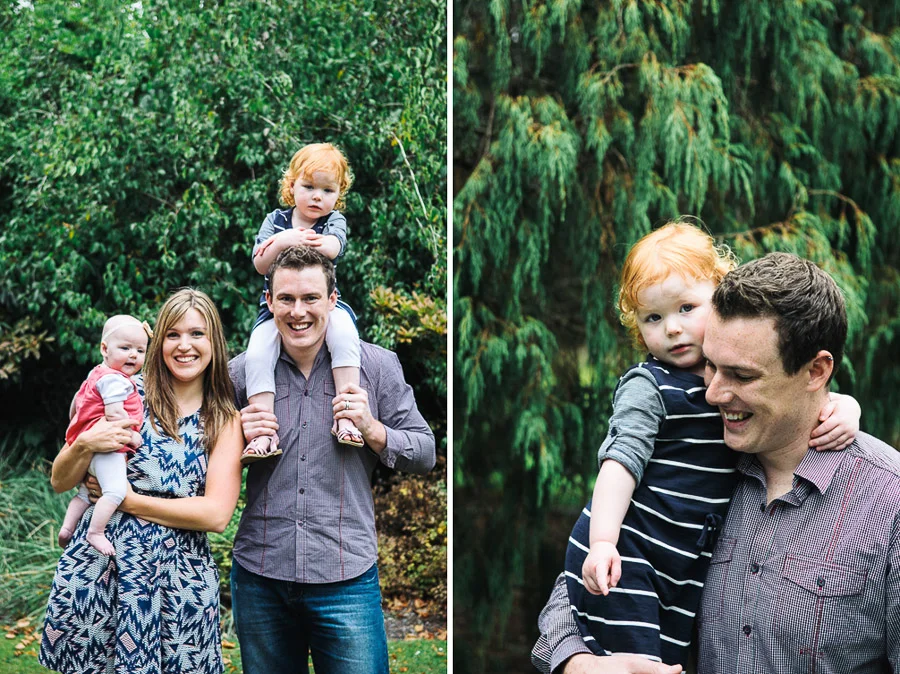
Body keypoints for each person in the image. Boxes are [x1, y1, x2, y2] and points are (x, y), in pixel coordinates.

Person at [534, 252, 900, 674]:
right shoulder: (698, 457)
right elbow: (580, 581)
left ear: (816, 371)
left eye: (742, 376)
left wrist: (845, 403)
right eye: (709, 365)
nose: (712, 394)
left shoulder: (887, 506)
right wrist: (579, 665)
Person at [228, 246, 436, 674]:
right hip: (261, 575)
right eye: (285, 299)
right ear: (268, 302)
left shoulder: (375, 367)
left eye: (310, 298)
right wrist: (234, 442)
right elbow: (197, 463)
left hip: (346, 579)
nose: (298, 311)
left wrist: (374, 429)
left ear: (333, 300)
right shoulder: (239, 374)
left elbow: (425, 451)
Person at [40, 289, 244, 674]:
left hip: (178, 580)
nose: (185, 346)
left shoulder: (223, 419)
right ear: (158, 342)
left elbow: (215, 514)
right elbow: (60, 480)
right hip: (102, 570)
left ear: (214, 342)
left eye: (197, 334)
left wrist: (127, 500)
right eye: (173, 335)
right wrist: (84, 443)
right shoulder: (122, 391)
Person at [241, 142, 363, 464]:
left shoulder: (333, 221)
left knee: (346, 338)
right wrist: (284, 239)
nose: (317, 197)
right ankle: (263, 431)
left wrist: (315, 241)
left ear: (339, 194)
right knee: (257, 354)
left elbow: (335, 248)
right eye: (308, 187)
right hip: (275, 310)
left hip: (325, 307)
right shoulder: (276, 221)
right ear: (291, 185)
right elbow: (259, 262)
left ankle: (347, 415)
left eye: (327, 190)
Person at [58, 315, 150, 555]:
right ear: (104, 348)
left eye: (140, 350)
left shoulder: (95, 373)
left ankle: (67, 528)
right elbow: (114, 412)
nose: (133, 355)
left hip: (90, 447)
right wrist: (131, 436)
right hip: (108, 448)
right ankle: (95, 532)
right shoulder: (115, 381)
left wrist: (77, 424)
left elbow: (76, 403)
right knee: (116, 491)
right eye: (125, 348)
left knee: (85, 493)